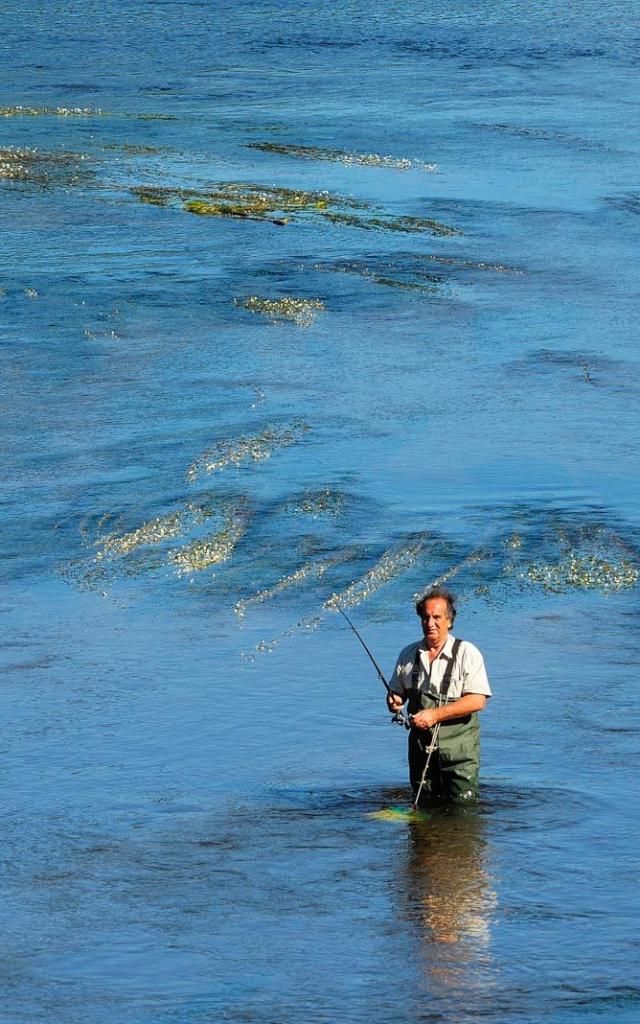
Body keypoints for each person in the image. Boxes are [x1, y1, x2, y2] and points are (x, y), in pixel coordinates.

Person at [386, 588, 491, 804]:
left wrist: (435, 715)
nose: (430, 623)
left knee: (464, 810)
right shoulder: (408, 655)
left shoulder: (467, 653)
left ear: (449, 621)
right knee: (424, 809)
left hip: (459, 754)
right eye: (425, 617)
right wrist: (394, 701)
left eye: (437, 617)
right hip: (420, 752)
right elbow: (397, 694)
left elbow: (477, 701)